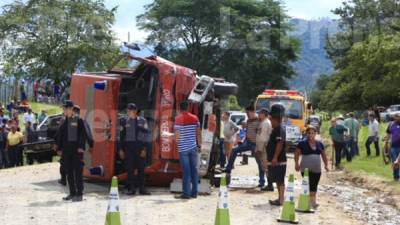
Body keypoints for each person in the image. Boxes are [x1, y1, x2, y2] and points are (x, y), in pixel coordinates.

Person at [225, 105, 265, 188]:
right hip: (247, 142)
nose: (247, 114)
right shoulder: (249, 120)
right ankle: (228, 170)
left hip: (256, 144)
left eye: (248, 113)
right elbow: (246, 130)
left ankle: (262, 181)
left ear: (253, 112)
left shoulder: (259, 121)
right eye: (246, 113)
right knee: (234, 150)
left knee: (259, 162)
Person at [55, 100, 86, 202]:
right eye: (64, 109)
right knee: (69, 173)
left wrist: (81, 146)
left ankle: (79, 194)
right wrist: (59, 148)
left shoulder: (78, 120)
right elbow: (60, 136)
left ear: (71, 109)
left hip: (76, 151)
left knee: (77, 172)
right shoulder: (65, 122)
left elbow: (83, 134)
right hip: (66, 151)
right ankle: (72, 193)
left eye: (66, 108)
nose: (64, 110)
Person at [119, 103, 151, 196]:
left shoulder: (142, 120)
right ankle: (131, 189)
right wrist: (120, 149)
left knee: (141, 169)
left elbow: (146, 135)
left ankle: (142, 189)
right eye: (127, 111)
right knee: (130, 169)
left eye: (130, 111)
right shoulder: (124, 121)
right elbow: (121, 136)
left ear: (135, 111)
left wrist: (144, 149)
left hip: (140, 149)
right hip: (129, 149)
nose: (128, 112)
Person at [294, 126, 329, 208]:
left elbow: (324, 155)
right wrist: (296, 163)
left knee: (314, 184)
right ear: (306, 134)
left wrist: (326, 165)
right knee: (308, 184)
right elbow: (297, 154)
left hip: (317, 169)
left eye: (312, 133)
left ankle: (313, 201)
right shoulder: (302, 143)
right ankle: (308, 201)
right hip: (305, 168)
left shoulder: (319, 143)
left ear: (315, 134)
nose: (310, 134)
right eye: (309, 133)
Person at [173, 101, 201, 199]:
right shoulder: (195, 118)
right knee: (194, 170)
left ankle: (186, 193)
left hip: (183, 149)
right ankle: (194, 192)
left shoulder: (178, 119)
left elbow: (177, 136)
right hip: (193, 147)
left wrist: (171, 137)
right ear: (188, 107)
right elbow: (198, 133)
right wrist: (199, 145)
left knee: (186, 171)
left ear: (179, 108)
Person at [267, 104, 287, 206]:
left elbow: (280, 144)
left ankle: (281, 199)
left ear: (275, 119)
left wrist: (275, 157)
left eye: (271, 119)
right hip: (276, 159)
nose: (270, 121)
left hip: (279, 160)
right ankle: (280, 198)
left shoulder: (280, 129)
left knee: (280, 180)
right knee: (278, 180)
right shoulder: (276, 128)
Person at [255, 108, 273, 191]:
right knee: (265, 166)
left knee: (266, 166)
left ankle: (270, 185)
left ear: (264, 114)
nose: (259, 115)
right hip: (263, 146)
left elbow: (263, 138)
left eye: (260, 113)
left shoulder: (265, 123)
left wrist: (259, 149)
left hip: (264, 147)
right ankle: (269, 184)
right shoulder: (263, 122)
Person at [385, 113, 400, 181]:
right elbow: (388, 134)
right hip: (393, 146)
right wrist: (386, 142)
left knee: (398, 161)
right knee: (395, 161)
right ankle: (396, 176)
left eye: (398, 117)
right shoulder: (391, 124)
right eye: (396, 117)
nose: (397, 118)